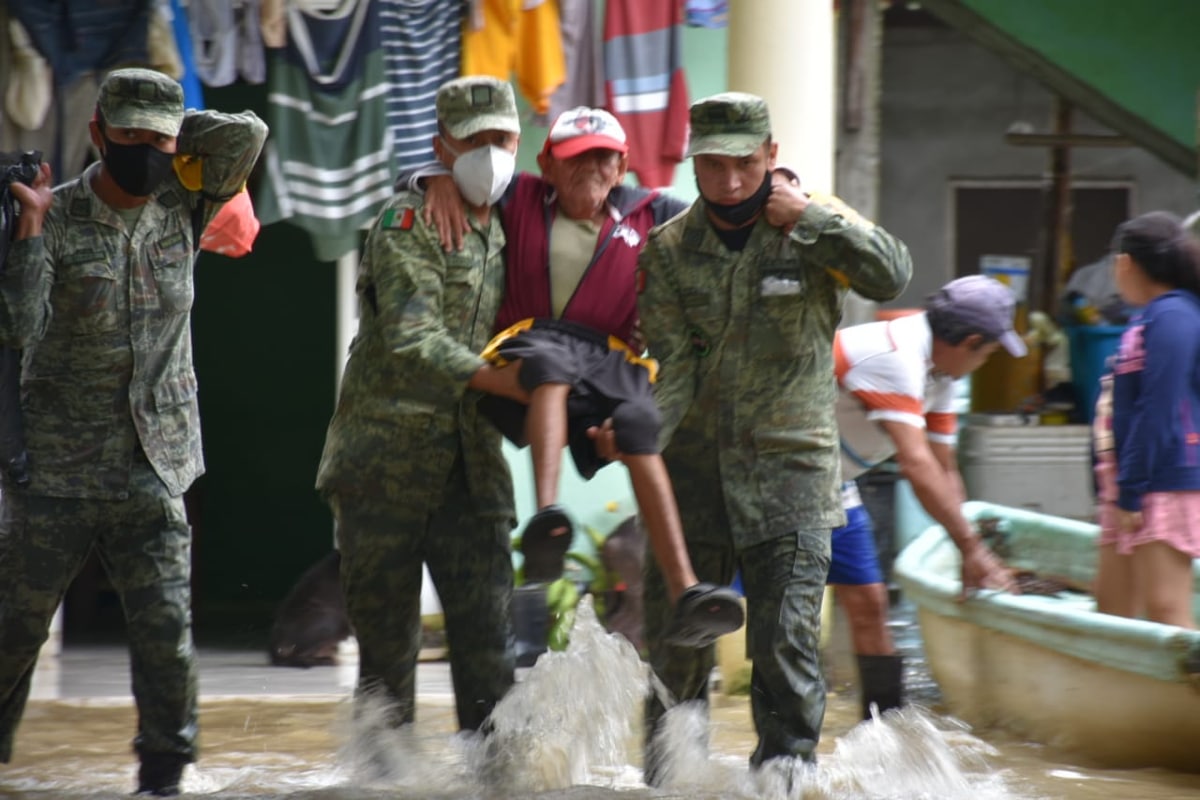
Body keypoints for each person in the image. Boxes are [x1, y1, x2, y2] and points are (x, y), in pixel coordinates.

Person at [0, 68, 267, 796]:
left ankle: (164, 776)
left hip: (157, 462)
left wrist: (175, 124)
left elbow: (249, 135)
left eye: (160, 140)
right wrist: (26, 231)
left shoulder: (185, 198)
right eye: (130, 136)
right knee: (12, 633)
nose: (146, 151)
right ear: (98, 134)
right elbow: (18, 328)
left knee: (165, 637)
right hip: (58, 468)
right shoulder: (52, 215)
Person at [632, 92, 912, 781]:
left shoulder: (814, 227)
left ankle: (784, 784)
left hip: (791, 477)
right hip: (694, 482)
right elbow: (673, 367)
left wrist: (810, 218)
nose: (730, 182)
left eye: (746, 164)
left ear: (772, 157)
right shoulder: (668, 250)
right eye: (713, 166)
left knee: (785, 650)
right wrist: (641, 438)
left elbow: (891, 272)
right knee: (675, 651)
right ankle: (671, 786)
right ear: (694, 162)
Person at [410, 106, 745, 648]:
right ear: (547, 162)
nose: (589, 168)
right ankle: (547, 520)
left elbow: (728, 221)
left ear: (622, 166)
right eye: (574, 158)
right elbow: (458, 171)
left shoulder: (653, 213)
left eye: (602, 158)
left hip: (611, 358)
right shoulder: (517, 197)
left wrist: (786, 194)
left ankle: (687, 592)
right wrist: (432, 180)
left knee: (640, 422)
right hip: (531, 336)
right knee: (551, 365)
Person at [314, 76, 527, 742]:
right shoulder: (405, 222)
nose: (491, 153)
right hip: (384, 471)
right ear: (444, 145)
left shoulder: (523, 219)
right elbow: (412, 337)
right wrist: (506, 384)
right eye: (474, 141)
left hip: (473, 475)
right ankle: (380, 788)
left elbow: (608, 201)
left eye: (504, 139)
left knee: (491, 655)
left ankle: (495, 788)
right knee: (387, 661)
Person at [832, 275, 1022, 720]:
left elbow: (945, 467)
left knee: (870, 604)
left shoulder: (942, 372)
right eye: (989, 353)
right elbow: (917, 466)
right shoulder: (896, 357)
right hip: (783, 479)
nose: (985, 361)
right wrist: (972, 550)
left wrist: (965, 550)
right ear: (971, 341)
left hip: (835, 484)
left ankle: (884, 731)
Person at [1093, 210, 1200, 629]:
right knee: (1111, 611)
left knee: (1166, 609)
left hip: (1163, 479)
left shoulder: (1174, 316)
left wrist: (1132, 490)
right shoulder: (1149, 318)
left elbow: (1159, 406)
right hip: (1129, 482)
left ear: (1125, 263)